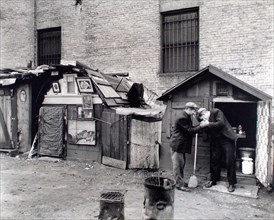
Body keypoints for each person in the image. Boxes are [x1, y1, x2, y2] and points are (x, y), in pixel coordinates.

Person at [197, 108, 238, 193]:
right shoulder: (207, 121)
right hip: (216, 140)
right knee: (214, 159)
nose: (204, 120)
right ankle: (213, 180)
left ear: (205, 113)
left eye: (203, 118)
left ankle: (231, 183)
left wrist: (208, 123)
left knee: (229, 160)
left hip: (227, 139)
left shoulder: (216, 112)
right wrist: (203, 127)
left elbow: (221, 123)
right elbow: (207, 131)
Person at [170, 102, 204, 192]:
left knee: (181, 164)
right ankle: (179, 185)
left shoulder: (186, 116)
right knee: (178, 166)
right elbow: (189, 130)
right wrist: (201, 126)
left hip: (180, 144)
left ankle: (179, 182)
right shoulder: (182, 117)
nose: (194, 113)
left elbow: (190, 128)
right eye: (193, 111)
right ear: (188, 109)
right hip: (178, 145)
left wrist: (199, 126)